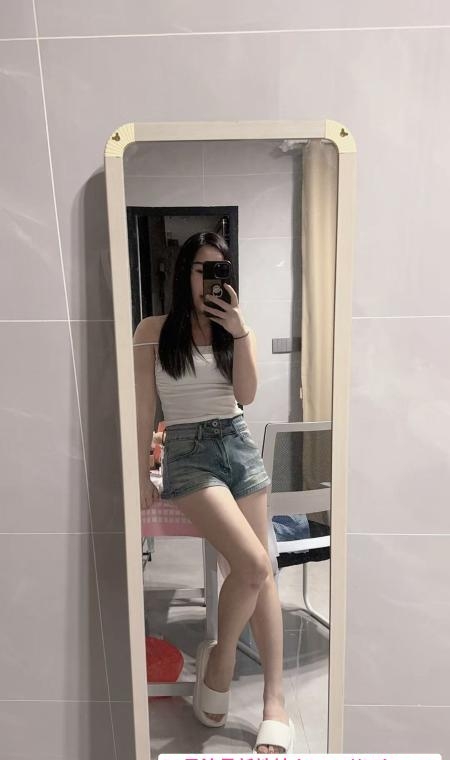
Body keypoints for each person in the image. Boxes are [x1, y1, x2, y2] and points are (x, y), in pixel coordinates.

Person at [133, 231, 295, 753]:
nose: (210, 279)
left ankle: (274, 702)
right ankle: (221, 661)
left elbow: (246, 395)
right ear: (185, 273)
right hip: (188, 452)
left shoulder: (235, 330)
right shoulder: (154, 330)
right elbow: (143, 406)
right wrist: (139, 469)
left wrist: (240, 330)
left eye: (219, 269)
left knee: (261, 573)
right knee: (253, 563)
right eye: (202, 269)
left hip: (238, 445)